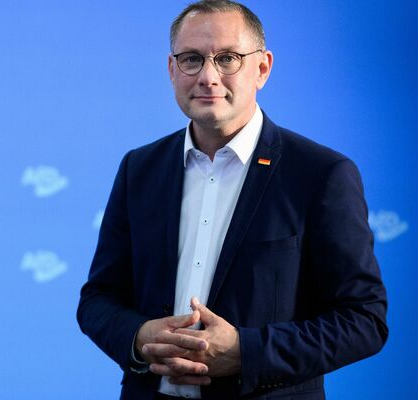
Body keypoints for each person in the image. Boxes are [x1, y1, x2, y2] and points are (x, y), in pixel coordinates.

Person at [76, 1, 388, 399]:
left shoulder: (321, 174)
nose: (208, 77)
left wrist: (245, 352)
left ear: (262, 68)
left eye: (227, 58)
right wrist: (139, 337)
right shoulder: (139, 168)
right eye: (191, 59)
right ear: (172, 69)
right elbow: (98, 300)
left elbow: (364, 320)